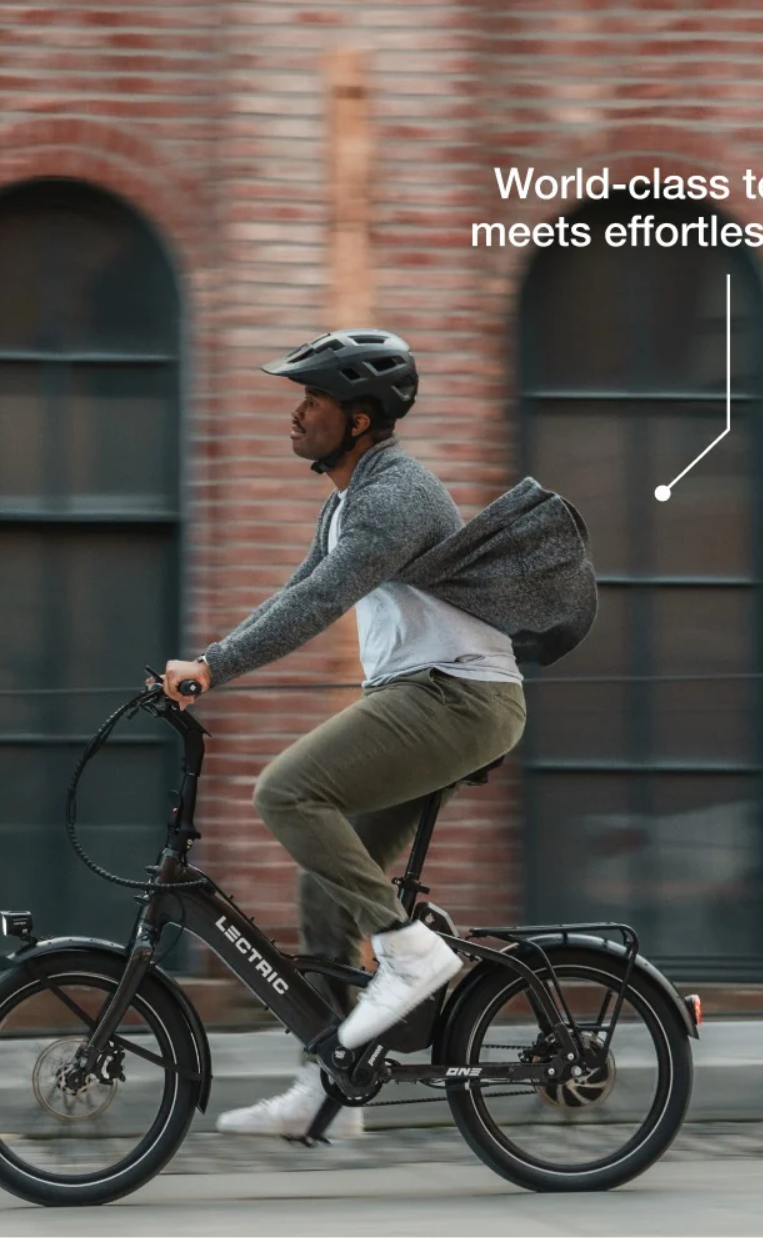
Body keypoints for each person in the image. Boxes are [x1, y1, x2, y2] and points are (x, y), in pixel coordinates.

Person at [161, 329, 596, 1138]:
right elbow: (289, 593)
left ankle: (411, 953)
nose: (295, 415)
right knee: (324, 885)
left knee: (285, 792)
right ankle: (328, 1088)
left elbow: (316, 604)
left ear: (358, 420)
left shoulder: (395, 496)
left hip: (456, 698)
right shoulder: (346, 502)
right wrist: (203, 664)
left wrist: (213, 668)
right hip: (431, 699)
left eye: (312, 402)